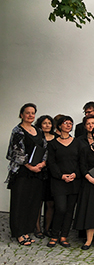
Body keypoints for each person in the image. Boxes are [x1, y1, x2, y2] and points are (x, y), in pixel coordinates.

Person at [6, 103, 47, 246]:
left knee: (33, 202)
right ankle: (18, 233)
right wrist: (30, 166)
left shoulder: (38, 131)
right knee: (20, 202)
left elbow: (45, 149)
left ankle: (27, 231)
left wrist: (42, 164)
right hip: (22, 173)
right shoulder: (17, 131)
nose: (30, 115)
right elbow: (16, 152)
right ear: (21, 114)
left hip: (37, 173)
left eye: (33, 113)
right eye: (27, 113)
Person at [46, 116, 81, 248]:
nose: (68, 125)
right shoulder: (53, 144)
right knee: (60, 208)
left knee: (69, 210)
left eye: (70, 123)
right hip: (59, 181)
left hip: (74, 181)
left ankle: (64, 236)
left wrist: (75, 174)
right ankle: (54, 235)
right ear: (59, 126)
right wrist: (61, 176)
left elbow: (80, 161)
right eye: (66, 123)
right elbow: (52, 163)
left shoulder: (77, 143)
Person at [35, 115, 56, 239]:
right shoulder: (37, 138)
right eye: (44, 123)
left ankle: (47, 228)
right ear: (40, 125)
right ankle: (37, 229)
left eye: (49, 123)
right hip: (38, 172)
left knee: (50, 203)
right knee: (38, 202)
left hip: (51, 175)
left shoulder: (56, 138)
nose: (47, 125)